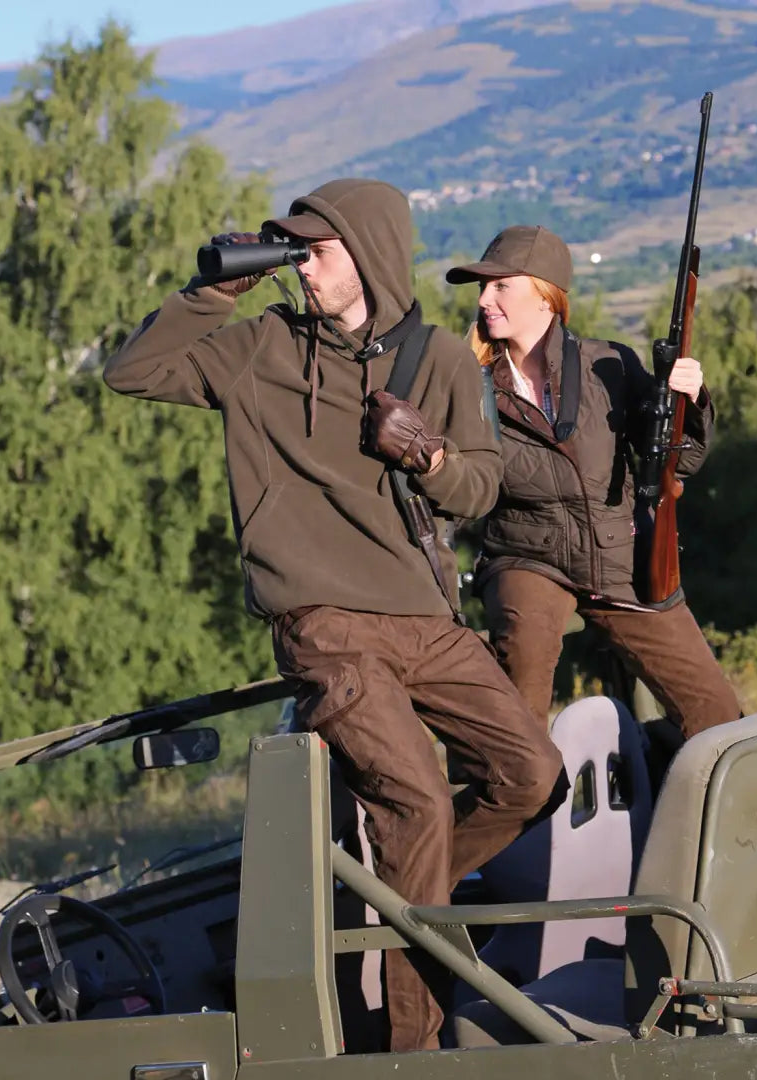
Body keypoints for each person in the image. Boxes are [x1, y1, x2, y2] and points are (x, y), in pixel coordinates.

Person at [103, 180, 566, 1052]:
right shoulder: (259, 350)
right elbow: (133, 372)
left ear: (370, 259)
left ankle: (398, 894)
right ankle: (410, 1052)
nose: (303, 268)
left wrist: (424, 451)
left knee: (532, 775)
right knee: (420, 807)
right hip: (323, 622)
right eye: (294, 252)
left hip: (424, 618)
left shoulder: (438, 358)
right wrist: (216, 290)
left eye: (316, 252)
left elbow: (478, 486)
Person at [445, 225, 741, 745]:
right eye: (481, 287)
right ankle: (514, 809)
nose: (483, 299)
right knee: (519, 725)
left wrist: (690, 404)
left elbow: (682, 463)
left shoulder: (610, 365)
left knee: (716, 716)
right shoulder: (465, 385)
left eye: (500, 286)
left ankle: (674, 801)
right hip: (525, 555)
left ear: (545, 297)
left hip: (618, 554)